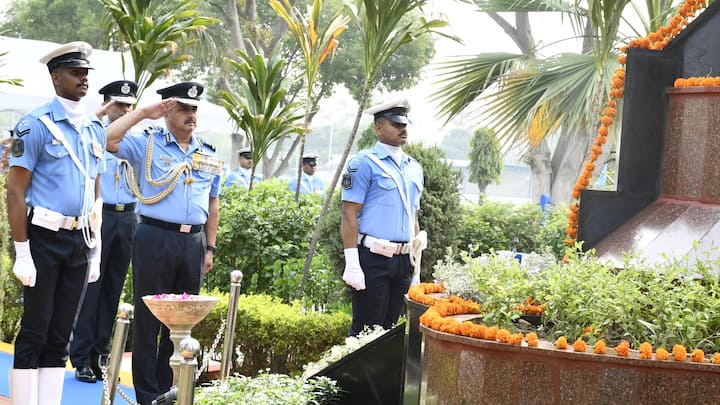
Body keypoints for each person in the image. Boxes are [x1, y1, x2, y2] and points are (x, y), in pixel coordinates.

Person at [105, 81, 221, 405]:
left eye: (194, 109)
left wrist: (209, 247)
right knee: (148, 319)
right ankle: (146, 395)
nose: (190, 115)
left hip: (193, 242)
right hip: (155, 236)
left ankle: (169, 391)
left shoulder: (207, 152)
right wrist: (143, 113)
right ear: (168, 111)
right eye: (183, 108)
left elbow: (213, 203)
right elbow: (108, 139)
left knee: (182, 320)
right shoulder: (147, 144)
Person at [6, 41, 106, 405]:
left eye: (86, 73)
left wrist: (95, 248)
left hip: (80, 239)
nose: (83, 79)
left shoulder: (94, 128)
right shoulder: (34, 126)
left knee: (62, 332)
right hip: (43, 237)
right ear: (55, 77)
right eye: (75, 73)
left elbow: (96, 195)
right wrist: (22, 251)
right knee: (35, 328)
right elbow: (15, 192)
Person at [69, 80, 139, 384]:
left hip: (128, 218)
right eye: (118, 105)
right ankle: (81, 356)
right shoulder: (92, 133)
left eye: (128, 106)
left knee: (113, 288)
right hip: (101, 216)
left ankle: (99, 353)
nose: (124, 110)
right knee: (92, 288)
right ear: (107, 105)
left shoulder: (135, 141)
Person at [340, 99, 425, 336]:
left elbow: (413, 216)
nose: (403, 129)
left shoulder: (414, 168)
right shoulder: (363, 164)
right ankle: (352, 375)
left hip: (403, 260)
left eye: (405, 124)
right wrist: (353, 263)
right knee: (365, 333)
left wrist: (416, 268)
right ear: (379, 127)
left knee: (390, 332)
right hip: (373, 258)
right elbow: (349, 214)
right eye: (396, 124)